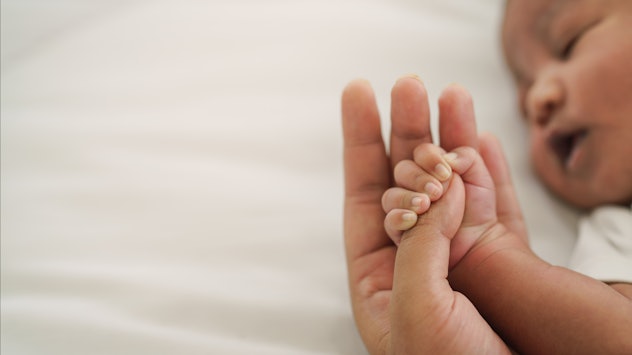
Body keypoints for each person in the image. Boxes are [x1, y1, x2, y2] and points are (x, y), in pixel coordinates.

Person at [341, 0, 632, 353]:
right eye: (523, 106)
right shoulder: (616, 234)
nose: (539, 98)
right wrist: (483, 257)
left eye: (570, 42)